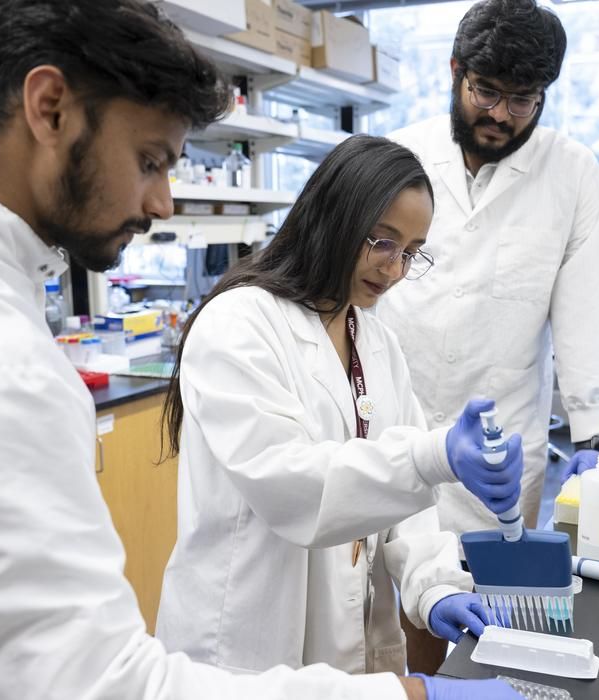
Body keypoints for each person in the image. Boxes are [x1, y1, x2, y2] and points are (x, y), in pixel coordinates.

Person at [0, 2, 518, 699]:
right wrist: (408, 693)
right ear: (49, 106)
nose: (163, 200)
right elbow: (98, 684)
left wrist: (428, 578)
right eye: (149, 161)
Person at [154, 135, 524, 693]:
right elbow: (293, 485)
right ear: (333, 217)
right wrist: (435, 455)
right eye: (383, 242)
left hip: (345, 645)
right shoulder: (239, 323)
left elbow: (405, 509)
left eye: (411, 251)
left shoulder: (374, 340)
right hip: (243, 649)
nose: (395, 268)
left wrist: (435, 584)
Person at [378, 0, 599, 537]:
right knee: (377, 603)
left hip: (497, 446)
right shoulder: (400, 154)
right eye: (486, 91)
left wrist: (590, 436)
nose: (501, 114)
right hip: (393, 430)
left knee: (484, 606)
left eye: (523, 100)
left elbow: (586, 311)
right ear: (455, 71)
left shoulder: (573, 173)